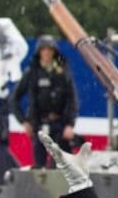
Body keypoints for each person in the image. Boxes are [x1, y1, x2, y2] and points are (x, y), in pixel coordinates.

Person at [10, 35, 78, 168]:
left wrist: (70, 124)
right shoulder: (32, 72)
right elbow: (14, 98)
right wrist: (23, 121)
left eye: (49, 50)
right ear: (39, 52)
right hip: (39, 124)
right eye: (43, 50)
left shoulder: (62, 72)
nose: (46, 53)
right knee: (39, 167)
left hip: (59, 125)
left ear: (54, 52)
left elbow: (72, 99)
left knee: (60, 166)